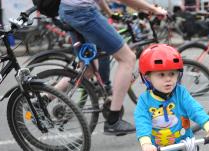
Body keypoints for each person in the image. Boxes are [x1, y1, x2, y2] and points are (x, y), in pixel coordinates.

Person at [58, 0, 167, 136]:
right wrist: (153, 9)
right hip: (83, 12)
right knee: (128, 58)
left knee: (89, 70)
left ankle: (46, 96)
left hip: (68, 11)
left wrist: (110, 13)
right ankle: (113, 120)